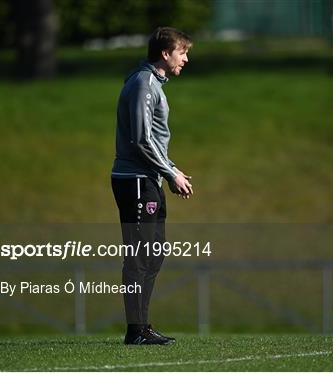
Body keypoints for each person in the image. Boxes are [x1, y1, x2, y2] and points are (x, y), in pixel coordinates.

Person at [110, 27, 193, 345]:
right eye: (182, 52)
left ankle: (142, 327)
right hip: (135, 181)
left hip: (149, 179)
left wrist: (169, 169)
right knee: (140, 256)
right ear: (165, 52)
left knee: (154, 254)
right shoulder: (144, 82)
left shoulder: (151, 83)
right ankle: (136, 331)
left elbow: (150, 139)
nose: (185, 59)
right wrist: (171, 173)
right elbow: (141, 138)